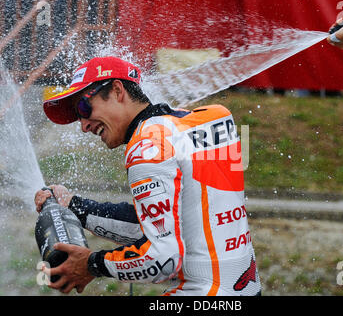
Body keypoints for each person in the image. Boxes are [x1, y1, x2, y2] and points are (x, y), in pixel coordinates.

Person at [34, 56, 262, 296]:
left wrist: (91, 265)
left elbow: (163, 259)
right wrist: (73, 206)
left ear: (117, 90)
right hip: (245, 289)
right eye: (78, 116)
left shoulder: (147, 147)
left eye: (83, 107)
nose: (83, 126)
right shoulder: (214, 117)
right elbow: (162, 225)